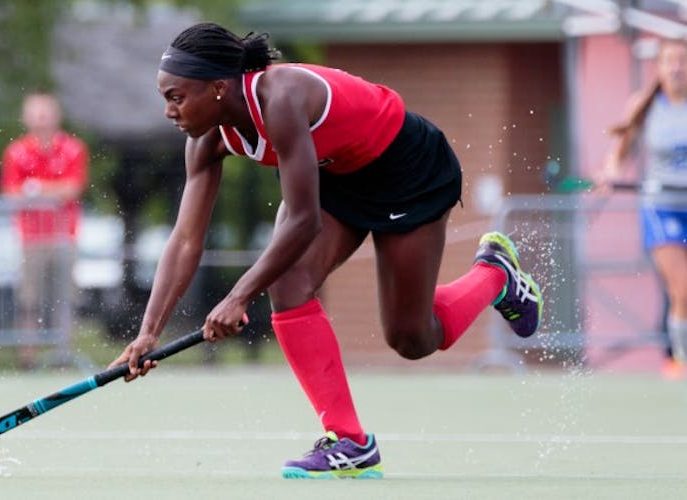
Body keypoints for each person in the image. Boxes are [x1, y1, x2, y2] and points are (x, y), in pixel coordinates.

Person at [107, 22, 544, 479]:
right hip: (335, 176)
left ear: (218, 87)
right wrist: (148, 332)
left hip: (406, 172)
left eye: (176, 97)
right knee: (289, 284)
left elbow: (302, 221)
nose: (168, 111)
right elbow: (185, 238)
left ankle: (495, 275)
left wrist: (238, 295)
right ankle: (350, 441)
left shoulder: (282, 98)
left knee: (412, 338)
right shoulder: (206, 139)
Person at [596, 37, 687, 380]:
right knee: (682, 289)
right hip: (662, 208)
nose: (677, 67)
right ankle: (680, 359)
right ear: (660, 68)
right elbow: (619, 153)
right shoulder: (645, 106)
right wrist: (610, 174)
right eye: (671, 61)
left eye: (683, 60)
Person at [0, 93, 89, 370]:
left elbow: (72, 189)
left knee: (64, 298)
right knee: (29, 300)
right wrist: (49, 191)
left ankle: (63, 355)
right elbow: (11, 194)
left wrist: (35, 188)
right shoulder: (16, 151)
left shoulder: (73, 149)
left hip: (65, 236)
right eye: (35, 113)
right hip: (30, 239)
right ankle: (28, 357)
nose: (41, 119)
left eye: (45, 112)